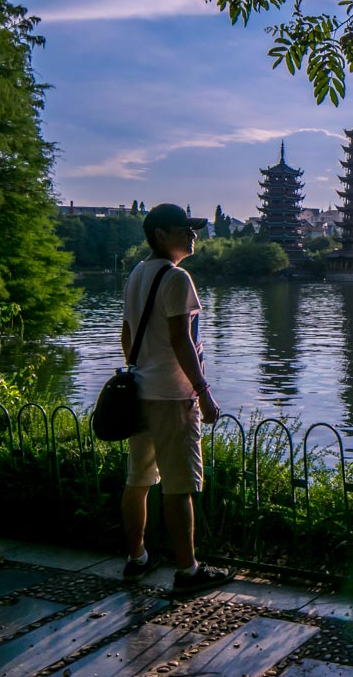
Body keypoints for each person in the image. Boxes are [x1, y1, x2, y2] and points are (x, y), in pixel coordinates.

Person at [120, 202, 234, 596]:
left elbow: (126, 334)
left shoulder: (137, 273)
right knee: (179, 486)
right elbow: (180, 340)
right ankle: (187, 571)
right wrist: (203, 392)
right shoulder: (177, 278)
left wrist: (139, 369)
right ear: (161, 235)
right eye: (185, 228)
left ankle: (136, 558)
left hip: (140, 393)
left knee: (137, 481)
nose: (193, 234)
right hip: (171, 396)